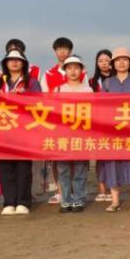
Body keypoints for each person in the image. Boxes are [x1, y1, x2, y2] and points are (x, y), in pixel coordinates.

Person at [0, 49, 41, 215]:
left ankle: (23, 201)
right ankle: (8, 202)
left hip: (24, 131)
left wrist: (24, 96)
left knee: (23, 168)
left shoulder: (31, 82)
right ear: (5, 63)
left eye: (18, 60)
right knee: (5, 168)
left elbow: (40, 103)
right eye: (10, 59)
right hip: (3, 131)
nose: (14, 62)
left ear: (23, 63)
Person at [99, 47, 130, 211]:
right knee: (113, 163)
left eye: (125, 59)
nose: (121, 63)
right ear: (113, 64)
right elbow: (100, 107)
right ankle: (115, 201)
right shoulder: (107, 83)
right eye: (118, 60)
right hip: (112, 131)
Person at [51, 55, 92, 212]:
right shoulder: (59, 89)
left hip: (82, 134)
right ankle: (66, 200)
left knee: (80, 169)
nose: (73, 71)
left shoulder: (88, 90)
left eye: (76, 68)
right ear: (65, 71)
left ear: (81, 70)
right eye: (69, 68)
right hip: (63, 135)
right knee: (63, 170)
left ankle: (79, 200)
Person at [89, 49, 114, 202]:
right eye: (101, 61)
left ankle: (113, 189)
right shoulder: (91, 81)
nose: (104, 63)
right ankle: (102, 189)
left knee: (112, 157)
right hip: (97, 123)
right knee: (100, 157)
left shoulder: (118, 80)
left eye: (107, 60)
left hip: (115, 123)